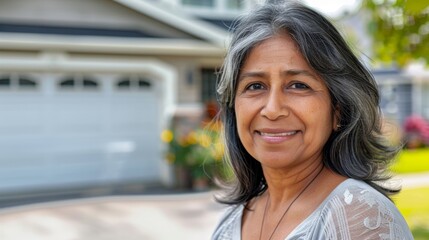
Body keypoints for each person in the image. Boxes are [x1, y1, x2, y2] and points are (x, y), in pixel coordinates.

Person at [211, 1, 413, 240]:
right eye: (255, 86)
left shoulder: (358, 219)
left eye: (298, 85)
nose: (272, 109)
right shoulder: (231, 220)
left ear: (338, 109)